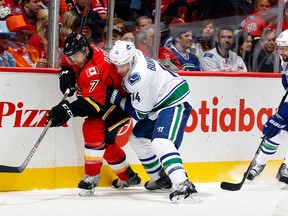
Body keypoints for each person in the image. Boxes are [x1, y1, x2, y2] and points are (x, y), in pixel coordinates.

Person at [45, 33, 141, 195]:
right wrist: (66, 73)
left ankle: (91, 177)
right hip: (105, 97)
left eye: (76, 56)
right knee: (105, 142)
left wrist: (68, 110)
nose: (73, 60)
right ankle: (128, 176)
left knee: (93, 128)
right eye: (70, 57)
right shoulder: (81, 55)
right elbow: (67, 64)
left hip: (121, 102)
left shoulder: (95, 69)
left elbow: (94, 104)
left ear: (85, 50)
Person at [107, 40, 200, 203]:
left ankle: (183, 183)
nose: (118, 70)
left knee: (161, 142)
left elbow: (139, 114)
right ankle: (159, 178)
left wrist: (118, 100)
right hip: (159, 102)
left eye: (122, 65)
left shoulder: (138, 77)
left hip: (174, 100)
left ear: (131, 60)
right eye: (116, 65)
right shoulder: (134, 55)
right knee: (137, 139)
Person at [247, 29, 288, 186]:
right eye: (281, 48)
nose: (281, 52)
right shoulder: (284, 59)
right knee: (277, 131)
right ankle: (259, 163)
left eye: (285, 48)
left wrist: (281, 116)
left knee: (277, 125)